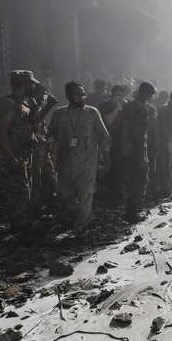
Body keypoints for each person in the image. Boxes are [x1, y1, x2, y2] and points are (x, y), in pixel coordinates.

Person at [48, 81, 110, 235]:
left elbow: (104, 136)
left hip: (88, 163)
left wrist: (105, 156)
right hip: (66, 162)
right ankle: (79, 216)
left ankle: (81, 228)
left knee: (86, 194)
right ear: (68, 95)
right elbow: (51, 135)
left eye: (83, 94)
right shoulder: (59, 113)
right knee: (65, 196)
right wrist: (49, 149)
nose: (82, 97)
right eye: (78, 94)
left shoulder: (92, 112)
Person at [0, 70, 40, 235]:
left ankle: (22, 227)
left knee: (24, 192)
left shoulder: (24, 104)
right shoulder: (8, 104)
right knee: (18, 193)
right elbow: (2, 133)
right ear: (24, 84)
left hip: (23, 156)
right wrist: (10, 158)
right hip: (13, 157)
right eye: (31, 84)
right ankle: (20, 229)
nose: (34, 86)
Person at [120, 81, 157, 222]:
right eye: (150, 94)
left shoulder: (130, 106)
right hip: (137, 149)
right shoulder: (141, 108)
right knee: (139, 180)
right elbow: (136, 132)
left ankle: (131, 211)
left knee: (134, 181)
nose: (151, 97)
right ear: (145, 93)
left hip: (135, 149)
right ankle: (132, 212)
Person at [30, 82, 59, 209]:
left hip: (43, 148)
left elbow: (42, 127)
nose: (45, 96)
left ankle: (50, 200)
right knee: (36, 178)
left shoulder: (40, 107)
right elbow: (33, 125)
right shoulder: (30, 107)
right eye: (43, 94)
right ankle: (35, 204)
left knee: (50, 175)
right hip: (34, 149)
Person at [98, 85, 128, 201]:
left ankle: (118, 193)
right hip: (107, 140)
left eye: (122, 96)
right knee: (107, 167)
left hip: (121, 141)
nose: (120, 98)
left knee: (120, 167)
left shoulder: (126, 105)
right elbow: (108, 121)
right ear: (112, 94)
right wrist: (117, 108)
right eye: (118, 95)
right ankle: (107, 194)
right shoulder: (104, 105)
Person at [157, 90, 172, 197]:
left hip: (170, 142)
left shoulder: (171, 111)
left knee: (169, 165)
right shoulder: (166, 111)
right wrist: (169, 142)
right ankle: (165, 190)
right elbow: (164, 128)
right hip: (166, 142)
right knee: (166, 165)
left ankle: (167, 188)